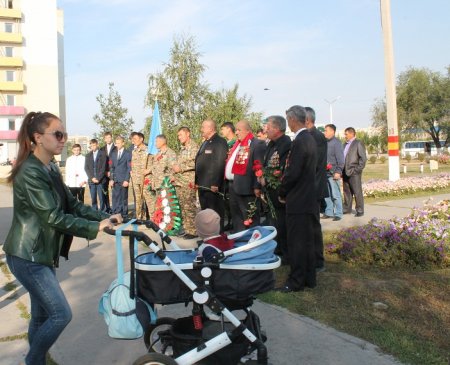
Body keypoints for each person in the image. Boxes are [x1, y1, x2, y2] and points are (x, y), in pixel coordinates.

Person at [3, 111, 122, 365]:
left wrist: (104, 217)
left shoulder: (50, 167)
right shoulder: (30, 171)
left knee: (40, 316)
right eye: (58, 134)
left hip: (41, 253)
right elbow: (53, 217)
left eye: (64, 134)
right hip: (28, 255)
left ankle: (36, 362)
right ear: (38, 137)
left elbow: (72, 205)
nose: (63, 139)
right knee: (60, 314)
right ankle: (33, 360)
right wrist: (95, 228)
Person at [277, 105, 317, 292]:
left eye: (288, 119)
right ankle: (309, 278)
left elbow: (293, 172)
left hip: (298, 199)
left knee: (297, 243)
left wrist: (282, 191)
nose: (288, 123)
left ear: (293, 119)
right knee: (307, 241)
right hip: (307, 198)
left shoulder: (301, 140)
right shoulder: (309, 138)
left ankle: (296, 280)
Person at [225, 120, 266, 233]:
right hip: (233, 186)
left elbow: (259, 166)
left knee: (250, 219)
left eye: (239, 130)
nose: (236, 132)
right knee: (237, 218)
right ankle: (240, 242)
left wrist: (257, 186)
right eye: (236, 130)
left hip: (247, 188)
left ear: (248, 130)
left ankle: (253, 244)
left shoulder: (257, 144)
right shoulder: (237, 144)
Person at [262, 115, 291, 263]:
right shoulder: (270, 144)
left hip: (279, 190)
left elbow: (283, 168)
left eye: (268, 127)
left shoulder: (285, 143)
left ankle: (286, 253)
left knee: (282, 222)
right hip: (269, 189)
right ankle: (278, 248)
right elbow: (266, 163)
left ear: (277, 128)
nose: (265, 129)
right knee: (274, 221)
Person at [305, 107, 328, 272]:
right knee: (307, 225)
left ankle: (318, 261)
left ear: (307, 119)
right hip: (307, 188)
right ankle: (309, 257)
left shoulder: (317, 137)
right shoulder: (308, 136)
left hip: (313, 188)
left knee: (313, 226)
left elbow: (314, 164)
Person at [195, 119, 228, 230]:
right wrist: (197, 182)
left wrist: (216, 183)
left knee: (215, 214)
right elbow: (199, 162)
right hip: (203, 185)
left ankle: (218, 237)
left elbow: (219, 163)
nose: (201, 130)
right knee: (206, 214)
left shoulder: (220, 142)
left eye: (203, 127)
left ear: (210, 128)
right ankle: (208, 238)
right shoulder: (205, 142)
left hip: (213, 186)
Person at [172, 127, 199, 239]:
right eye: (178, 136)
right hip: (180, 182)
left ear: (188, 134)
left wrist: (180, 168)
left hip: (189, 181)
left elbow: (195, 162)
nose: (179, 137)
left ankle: (193, 231)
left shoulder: (194, 147)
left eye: (181, 135)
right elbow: (177, 164)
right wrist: (174, 176)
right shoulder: (182, 149)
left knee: (189, 206)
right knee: (183, 206)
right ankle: (187, 229)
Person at [342, 127, 367, 217]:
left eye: (346, 134)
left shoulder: (358, 143)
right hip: (345, 171)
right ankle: (347, 208)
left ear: (351, 133)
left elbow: (363, 158)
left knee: (357, 192)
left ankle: (360, 210)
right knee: (347, 192)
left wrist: (357, 170)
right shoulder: (345, 144)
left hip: (354, 172)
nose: (345, 136)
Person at [323, 124, 345, 221]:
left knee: (335, 194)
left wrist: (338, 171)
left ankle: (338, 213)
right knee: (327, 194)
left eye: (326, 130)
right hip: (325, 173)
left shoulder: (337, 143)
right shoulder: (325, 143)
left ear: (332, 131)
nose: (325, 132)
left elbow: (341, 159)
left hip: (333, 173)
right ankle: (329, 212)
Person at [109, 136, 132, 218]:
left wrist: (127, 180)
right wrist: (111, 179)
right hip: (115, 179)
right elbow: (111, 167)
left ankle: (124, 214)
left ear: (123, 143)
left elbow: (129, 167)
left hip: (123, 179)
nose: (117, 145)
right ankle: (115, 213)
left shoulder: (128, 153)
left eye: (119, 143)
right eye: (116, 143)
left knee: (123, 198)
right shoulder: (113, 153)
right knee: (115, 197)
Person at [220, 121, 236, 231]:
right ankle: (230, 221)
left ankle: (235, 222)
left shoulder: (235, 143)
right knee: (227, 201)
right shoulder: (226, 143)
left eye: (223, 129)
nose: (222, 132)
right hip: (225, 176)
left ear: (229, 129)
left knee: (233, 201)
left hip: (234, 177)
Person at [85, 138, 108, 211]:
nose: (93, 147)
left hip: (100, 181)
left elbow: (103, 167)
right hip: (92, 181)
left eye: (94, 145)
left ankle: (102, 212)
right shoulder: (88, 155)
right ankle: (95, 212)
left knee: (102, 198)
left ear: (97, 145)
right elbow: (86, 168)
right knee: (93, 198)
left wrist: (98, 178)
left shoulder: (103, 154)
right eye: (91, 146)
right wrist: (92, 178)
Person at [130, 132, 149, 219]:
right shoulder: (134, 151)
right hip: (136, 179)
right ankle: (139, 217)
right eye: (133, 139)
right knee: (138, 200)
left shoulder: (147, 150)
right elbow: (133, 164)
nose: (134, 141)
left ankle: (148, 217)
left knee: (147, 199)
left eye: (135, 139)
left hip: (145, 179)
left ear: (141, 139)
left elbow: (152, 164)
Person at [100, 131, 116, 213]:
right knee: (105, 192)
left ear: (111, 138)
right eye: (106, 138)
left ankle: (115, 209)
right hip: (105, 173)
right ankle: (107, 208)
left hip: (114, 173)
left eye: (109, 137)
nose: (108, 139)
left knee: (115, 192)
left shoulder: (116, 148)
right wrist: (105, 172)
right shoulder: (102, 149)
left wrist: (111, 172)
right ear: (104, 139)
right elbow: (101, 162)